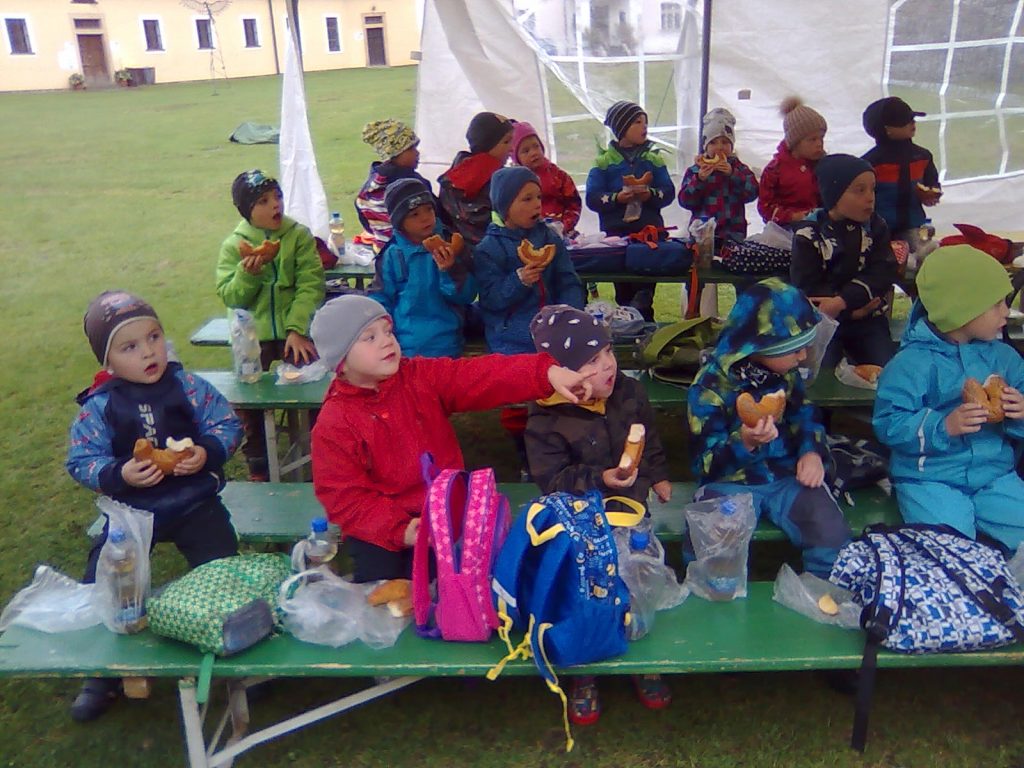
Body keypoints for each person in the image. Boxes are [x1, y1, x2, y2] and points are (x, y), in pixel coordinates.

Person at [308, 295, 594, 582]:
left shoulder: (420, 378)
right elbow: (345, 497)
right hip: (379, 533)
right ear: (341, 362)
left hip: (444, 518)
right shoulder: (335, 423)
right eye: (370, 337)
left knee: (457, 593)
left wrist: (546, 373)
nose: (386, 341)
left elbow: (482, 376)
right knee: (383, 597)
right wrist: (400, 529)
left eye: (388, 331)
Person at [66, 291, 243, 722]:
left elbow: (227, 423)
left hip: (192, 500)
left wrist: (207, 451)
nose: (148, 352)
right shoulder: (101, 405)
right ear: (108, 361)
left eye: (154, 337)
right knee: (106, 582)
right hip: (132, 512)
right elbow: (81, 459)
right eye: (130, 347)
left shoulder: (188, 387)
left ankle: (239, 653)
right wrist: (118, 473)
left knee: (223, 569)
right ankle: (103, 673)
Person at [524, 304, 673, 725]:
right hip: (581, 519)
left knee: (635, 580)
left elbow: (649, 439)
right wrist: (601, 478)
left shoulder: (629, 391)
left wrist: (658, 474)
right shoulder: (547, 415)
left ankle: (642, 659)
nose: (607, 365)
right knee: (587, 590)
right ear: (563, 373)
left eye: (608, 352)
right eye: (591, 361)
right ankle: (584, 670)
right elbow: (552, 479)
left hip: (632, 508)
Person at [687, 278, 851, 579]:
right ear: (760, 345)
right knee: (714, 544)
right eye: (795, 350)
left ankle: (826, 590)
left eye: (805, 347)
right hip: (730, 482)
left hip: (786, 477)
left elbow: (805, 415)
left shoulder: (786, 376)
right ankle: (717, 598)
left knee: (828, 528)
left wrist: (811, 452)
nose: (803, 357)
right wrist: (745, 442)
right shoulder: (710, 387)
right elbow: (704, 463)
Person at [874, 245, 1024, 552]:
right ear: (962, 309)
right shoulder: (911, 364)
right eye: (996, 304)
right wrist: (942, 427)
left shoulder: (1005, 358)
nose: (1006, 312)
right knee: (946, 546)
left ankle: (1004, 578)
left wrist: (1020, 412)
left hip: (995, 475)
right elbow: (889, 422)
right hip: (930, 479)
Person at [476, 166, 585, 478]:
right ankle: (525, 453)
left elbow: (568, 280)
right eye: (526, 199)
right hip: (512, 335)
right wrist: (519, 280)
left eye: (538, 197)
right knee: (519, 393)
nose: (537, 204)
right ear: (505, 207)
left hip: (553, 329)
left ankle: (563, 447)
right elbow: (491, 300)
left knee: (564, 388)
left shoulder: (550, 239)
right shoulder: (489, 249)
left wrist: (569, 312)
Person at [216, 169, 325, 481]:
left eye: (277, 197)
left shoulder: (298, 236)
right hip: (253, 334)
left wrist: (297, 329)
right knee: (249, 395)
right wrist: (248, 275)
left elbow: (310, 285)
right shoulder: (234, 245)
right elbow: (230, 296)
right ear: (246, 209)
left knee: (316, 384)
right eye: (263, 201)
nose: (275, 204)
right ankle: (259, 460)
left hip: (295, 330)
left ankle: (323, 448)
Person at [790, 154, 898, 367]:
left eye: (872, 189)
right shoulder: (809, 234)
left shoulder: (876, 227)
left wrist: (844, 301)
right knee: (822, 371)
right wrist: (849, 311)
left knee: (885, 368)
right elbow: (808, 286)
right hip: (824, 320)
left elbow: (882, 271)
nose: (870, 198)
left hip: (869, 319)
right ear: (834, 195)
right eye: (860, 190)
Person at [585, 100, 675, 321]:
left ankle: (645, 321)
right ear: (622, 128)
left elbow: (669, 192)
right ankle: (627, 324)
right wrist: (616, 198)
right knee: (624, 291)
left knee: (645, 289)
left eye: (645, 122)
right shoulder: (603, 162)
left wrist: (650, 194)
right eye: (637, 122)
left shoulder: (653, 160)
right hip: (617, 238)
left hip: (649, 237)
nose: (644, 126)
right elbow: (593, 198)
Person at [369, 178, 477, 358]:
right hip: (404, 346)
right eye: (415, 214)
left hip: (448, 343)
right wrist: (382, 335)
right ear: (400, 221)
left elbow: (466, 295)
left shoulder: (451, 244)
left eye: (429, 209)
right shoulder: (392, 254)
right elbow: (381, 299)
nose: (426, 217)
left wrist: (450, 269)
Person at [861, 96, 941, 247]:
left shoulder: (923, 156)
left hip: (914, 223)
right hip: (879, 228)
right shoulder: (871, 162)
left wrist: (931, 194)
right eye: (904, 121)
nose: (912, 123)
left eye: (912, 118)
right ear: (886, 129)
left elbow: (932, 183)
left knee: (919, 250)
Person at [678, 107, 759, 243]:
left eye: (725, 142)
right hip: (703, 235)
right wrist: (699, 180)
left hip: (733, 234)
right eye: (713, 142)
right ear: (705, 146)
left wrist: (733, 174)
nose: (720, 147)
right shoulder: (695, 170)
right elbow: (685, 201)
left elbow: (752, 193)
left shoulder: (739, 168)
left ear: (732, 145)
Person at [355, 119, 435, 253]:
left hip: (384, 255)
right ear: (393, 154)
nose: (417, 153)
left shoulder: (367, 188)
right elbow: (435, 218)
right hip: (416, 255)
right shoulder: (414, 185)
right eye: (411, 149)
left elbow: (367, 225)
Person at [437, 112, 515, 245]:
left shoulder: (455, 172)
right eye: (506, 142)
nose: (511, 148)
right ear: (487, 145)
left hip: (460, 247)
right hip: (496, 248)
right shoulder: (498, 179)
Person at [757, 97, 827, 227]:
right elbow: (765, 207)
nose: (819, 144)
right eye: (812, 139)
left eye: (821, 138)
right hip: (784, 230)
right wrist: (793, 216)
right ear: (795, 142)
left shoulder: (824, 165)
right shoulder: (775, 169)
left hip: (818, 227)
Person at [509, 120, 582, 236]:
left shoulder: (558, 176)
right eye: (526, 151)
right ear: (516, 158)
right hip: (529, 236)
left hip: (563, 232)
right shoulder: (514, 182)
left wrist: (565, 225)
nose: (533, 153)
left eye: (536, 146)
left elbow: (574, 203)